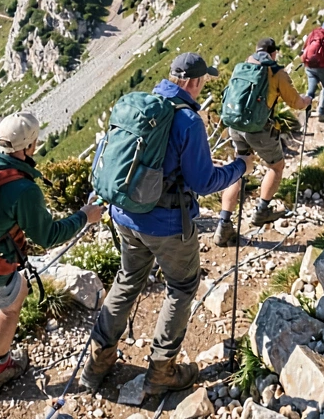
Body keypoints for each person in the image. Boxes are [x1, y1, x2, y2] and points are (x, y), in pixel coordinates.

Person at [81, 54, 246, 395]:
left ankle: (96, 363)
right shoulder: (189, 121)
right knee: (182, 286)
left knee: (128, 279)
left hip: (124, 214)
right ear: (195, 82)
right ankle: (161, 372)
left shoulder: (139, 106)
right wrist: (239, 167)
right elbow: (203, 182)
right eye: (203, 81)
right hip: (167, 224)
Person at [0, 113, 105, 396]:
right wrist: (85, 216)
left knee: (17, 291)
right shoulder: (22, 189)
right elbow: (48, 236)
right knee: (9, 305)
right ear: (28, 146)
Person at [213, 38, 313, 247]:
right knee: (276, 166)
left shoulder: (242, 67)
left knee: (239, 167)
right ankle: (261, 211)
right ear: (273, 53)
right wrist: (307, 100)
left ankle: (223, 224)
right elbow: (296, 103)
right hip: (258, 129)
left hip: (235, 125)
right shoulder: (276, 72)